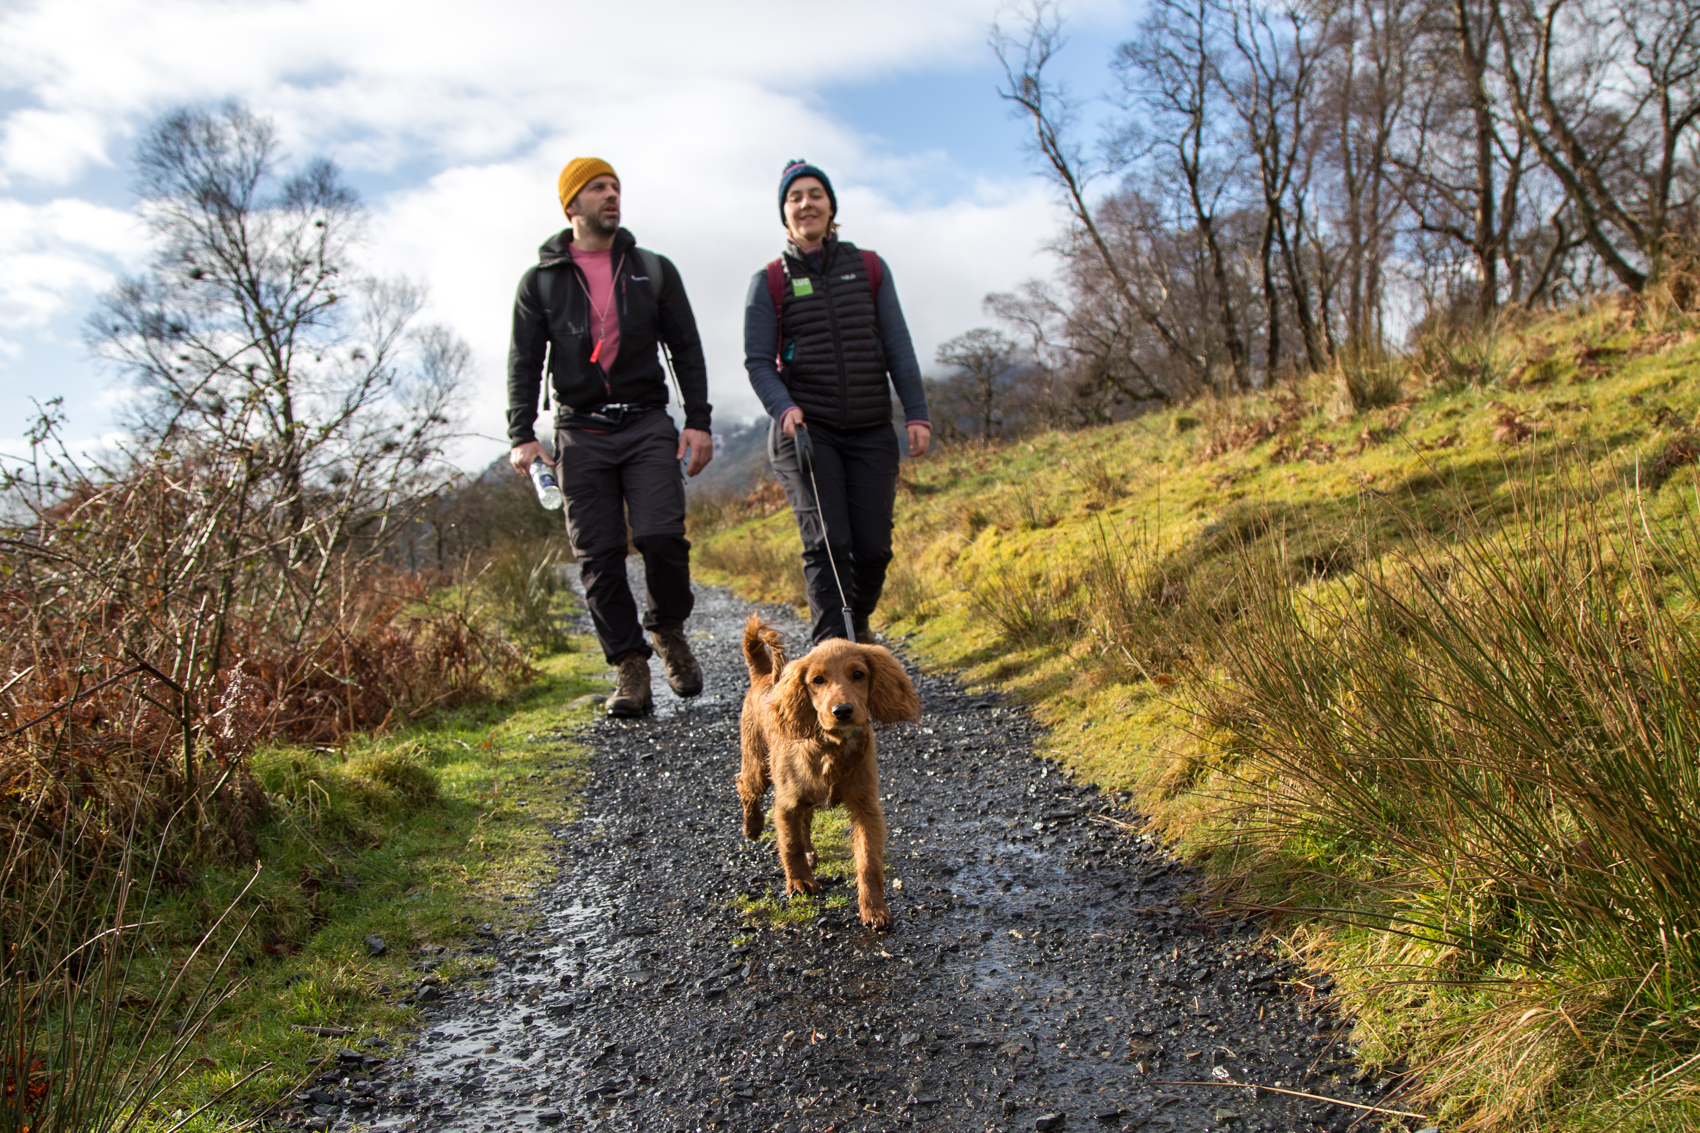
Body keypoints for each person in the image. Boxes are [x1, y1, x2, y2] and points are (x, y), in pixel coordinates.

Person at [507, 157, 714, 717]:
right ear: (571, 204)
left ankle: (666, 628)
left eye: (616, 186)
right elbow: (524, 361)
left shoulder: (653, 269)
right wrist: (522, 433)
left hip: (646, 421)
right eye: (598, 187)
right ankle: (630, 666)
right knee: (597, 555)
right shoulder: (541, 282)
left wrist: (698, 420)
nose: (611, 195)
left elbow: (687, 348)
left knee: (662, 537)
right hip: (579, 430)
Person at [743, 159, 930, 646]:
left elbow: (898, 345)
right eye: (795, 197)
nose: (806, 204)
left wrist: (916, 412)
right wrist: (784, 407)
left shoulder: (868, 267)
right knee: (828, 544)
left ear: (831, 207)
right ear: (784, 213)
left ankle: (856, 628)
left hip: (871, 427)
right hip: (807, 431)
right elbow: (758, 361)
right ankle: (829, 658)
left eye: (815, 194)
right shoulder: (770, 280)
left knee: (873, 548)